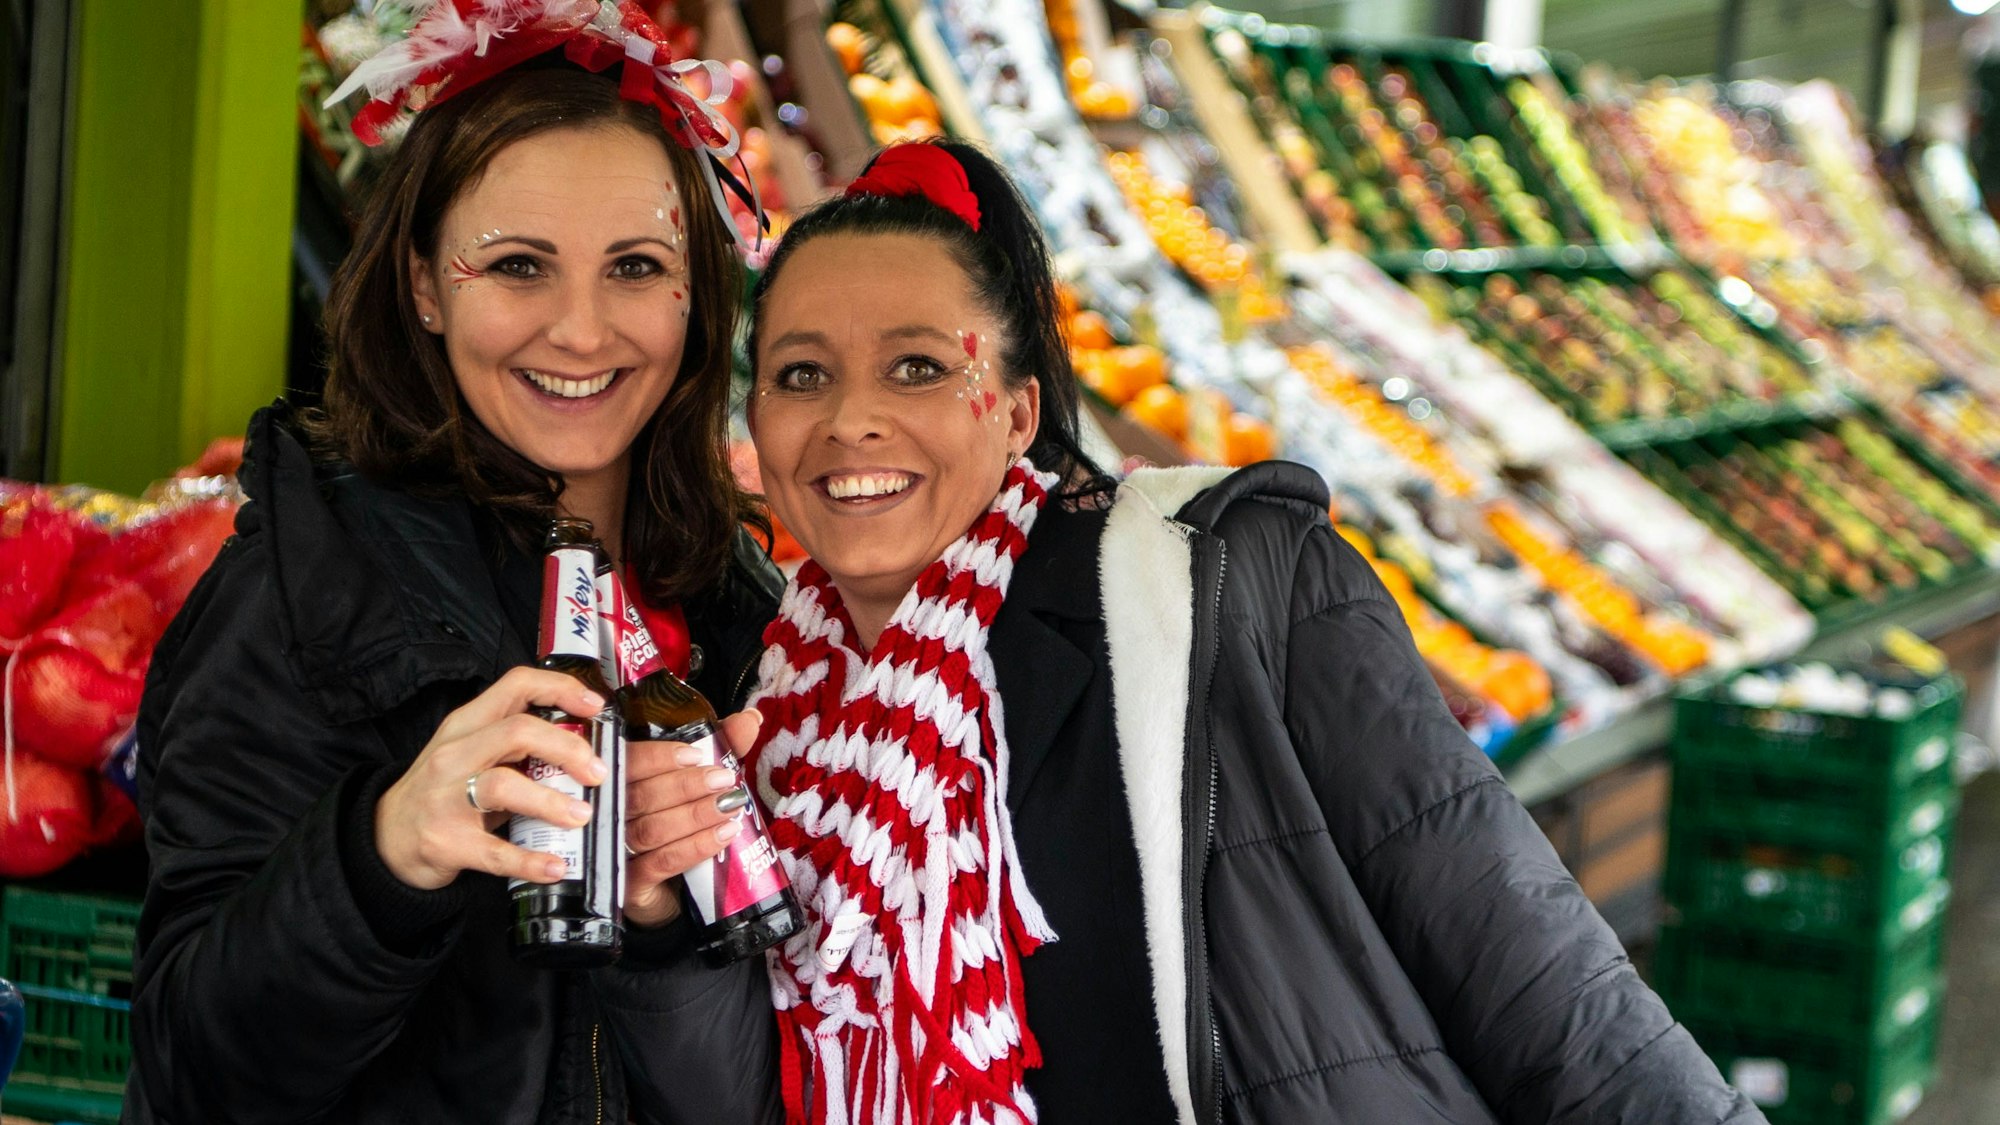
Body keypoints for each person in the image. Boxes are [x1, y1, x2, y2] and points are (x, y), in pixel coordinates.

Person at [710, 140, 1769, 1124]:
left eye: (916, 368)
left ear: (1018, 411)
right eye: (800, 374)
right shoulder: (772, 717)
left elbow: (1528, 965)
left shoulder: (1218, 579)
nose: (850, 419)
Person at [126, 6, 782, 1122]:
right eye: (518, 266)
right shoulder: (305, 591)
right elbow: (195, 1071)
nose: (581, 332)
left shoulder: (744, 617)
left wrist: (667, 931)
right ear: (426, 284)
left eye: (634, 266)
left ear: (695, 296)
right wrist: (384, 854)